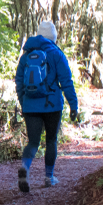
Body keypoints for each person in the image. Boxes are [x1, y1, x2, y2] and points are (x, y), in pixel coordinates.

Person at [14, 20, 78, 192]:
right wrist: (74, 106)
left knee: (33, 142)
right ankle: (49, 177)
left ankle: (25, 170)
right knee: (51, 140)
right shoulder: (56, 54)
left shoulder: (26, 55)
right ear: (54, 37)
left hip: (30, 106)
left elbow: (19, 81)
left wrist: (24, 101)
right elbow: (66, 82)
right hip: (52, 105)